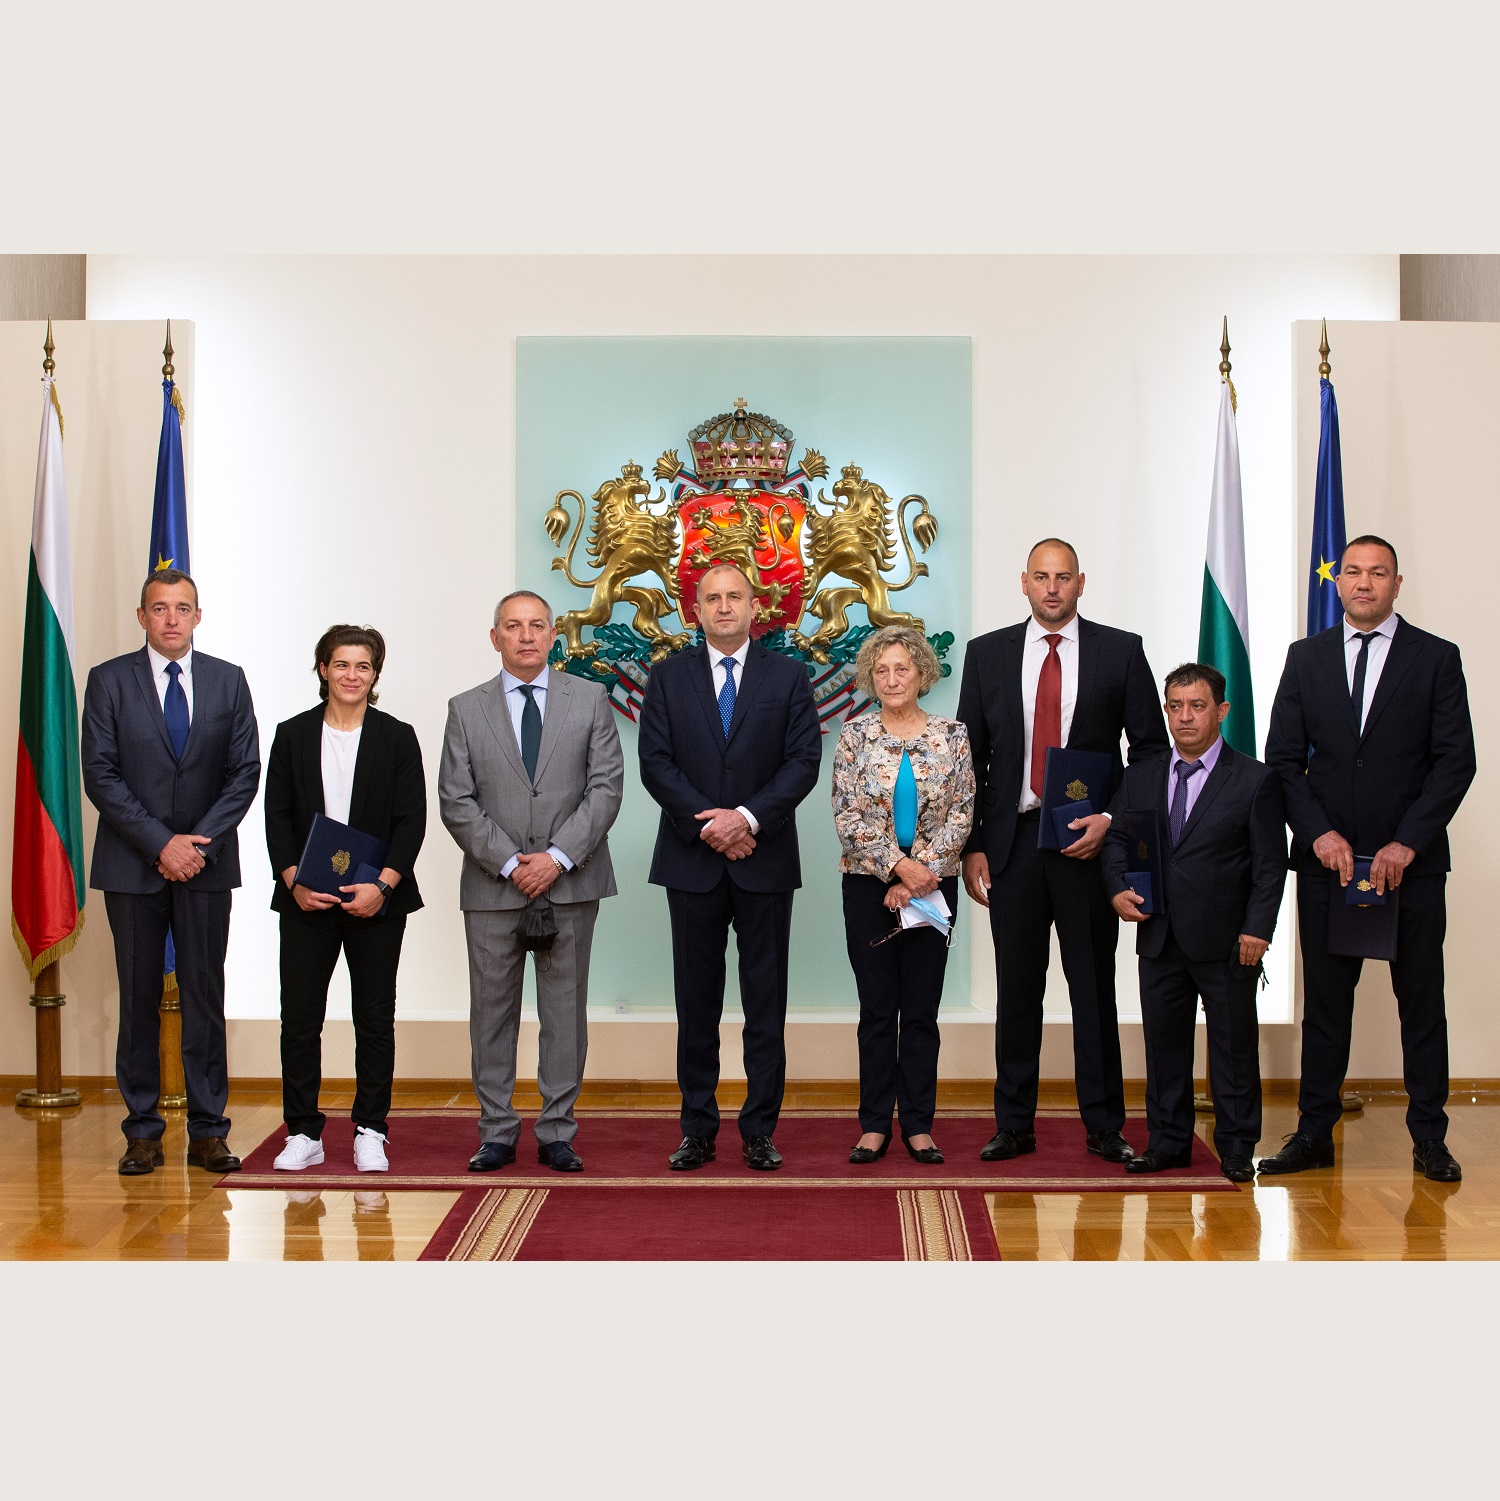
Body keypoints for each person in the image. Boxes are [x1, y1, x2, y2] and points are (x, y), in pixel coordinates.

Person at [1261, 535, 1475, 1182]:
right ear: (1338, 581)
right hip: (1328, 866)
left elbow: (1455, 762)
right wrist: (1318, 835)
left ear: (1396, 584)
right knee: (1326, 1008)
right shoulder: (1306, 658)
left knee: (1422, 1005)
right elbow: (1282, 760)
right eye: (1352, 571)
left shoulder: (1436, 657)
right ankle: (1314, 1134)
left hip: (1410, 867)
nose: (1364, 582)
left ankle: (1430, 1139)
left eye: (1378, 572)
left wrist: (1407, 841)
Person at [957, 537, 1167, 1163]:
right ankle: (1013, 1124)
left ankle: (1104, 1125)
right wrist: (973, 845)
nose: (1052, 588)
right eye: (1042, 577)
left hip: (1088, 843)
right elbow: (971, 758)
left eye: (1064, 577)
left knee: (1093, 988)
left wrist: (1113, 821)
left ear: (1081, 583)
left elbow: (1150, 753)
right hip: (1014, 842)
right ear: (1024, 582)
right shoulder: (988, 653)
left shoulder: (1120, 651)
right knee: (1017, 989)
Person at [638, 563, 822, 1172]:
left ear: (754, 606)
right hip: (691, 861)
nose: (723, 607)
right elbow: (655, 763)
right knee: (696, 1006)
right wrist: (711, 825)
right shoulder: (666, 677)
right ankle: (697, 1129)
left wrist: (745, 818)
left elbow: (802, 762)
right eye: (712, 598)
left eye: (734, 596)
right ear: (695, 611)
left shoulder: (789, 676)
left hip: (764, 862)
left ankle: (759, 1131)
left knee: (765, 1005)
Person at [81, 569, 261, 1176]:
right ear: (142, 617)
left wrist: (196, 847)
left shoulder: (229, 680)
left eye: (183, 608)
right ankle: (142, 1132)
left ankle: (209, 1132)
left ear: (198, 616)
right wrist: (161, 844)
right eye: (160, 608)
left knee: (204, 998)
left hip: (206, 868)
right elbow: (100, 773)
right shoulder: (108, 680)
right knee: (138, 1000)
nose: (172, 619)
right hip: (132, 867)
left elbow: (244, 772)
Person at [439, 590, 623, 1173]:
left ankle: (557, 1133)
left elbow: (606, 788)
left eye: (537, 625)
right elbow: (456, 799)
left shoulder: (590, 699)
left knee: (564, 1014)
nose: (526, 636)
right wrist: (512, 862)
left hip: (571, 884)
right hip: (493, 888)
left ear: (552, 636)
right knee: (491, 1014)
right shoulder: (465, 708)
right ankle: (496, 1132)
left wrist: (557, 858)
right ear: (494, 637)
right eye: (513, 626)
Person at [1101, 663, 1286, 1181]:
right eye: (1176, 706)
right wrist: (1116, 887)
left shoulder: (1254, 779)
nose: (1185, 716)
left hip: (1229, 940)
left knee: (1233, 1047)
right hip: (1159, 934)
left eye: (1197, 706)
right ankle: (1167, 1143)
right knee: (1164, 1048)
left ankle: (1236, 1147)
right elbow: (1116, 838)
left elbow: (1270, 864)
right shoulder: (1142, 774)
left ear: (1221, 711)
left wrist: (1258, 928)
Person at [263, 625, 427, 1174]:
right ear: (323, 669)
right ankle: (303, 1132)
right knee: (299, 1018)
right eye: (341, 664)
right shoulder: (291, 734)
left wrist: (383, 886)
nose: (351, 675)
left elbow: (411, 820)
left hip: (376, 901)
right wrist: (294, 881)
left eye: (362, 666)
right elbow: (276, 816)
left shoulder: (397, 737)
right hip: (305, 899)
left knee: (374, 1018)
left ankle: (370, 1130)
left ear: (374, 674)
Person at [832, 626, 974, 1165]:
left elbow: (963, 811)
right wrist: (898, 868)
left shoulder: (953, 735)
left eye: (903, 669)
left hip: (934, 888)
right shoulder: (854, 736)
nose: (892, 679)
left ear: (922, 674)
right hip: (867, 887)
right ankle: (873, 1125)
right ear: (872, 678)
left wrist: (921, 874)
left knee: (920, 1010)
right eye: (882, 670)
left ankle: (917, 1125)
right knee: (876, 1010)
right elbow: (847, 815)